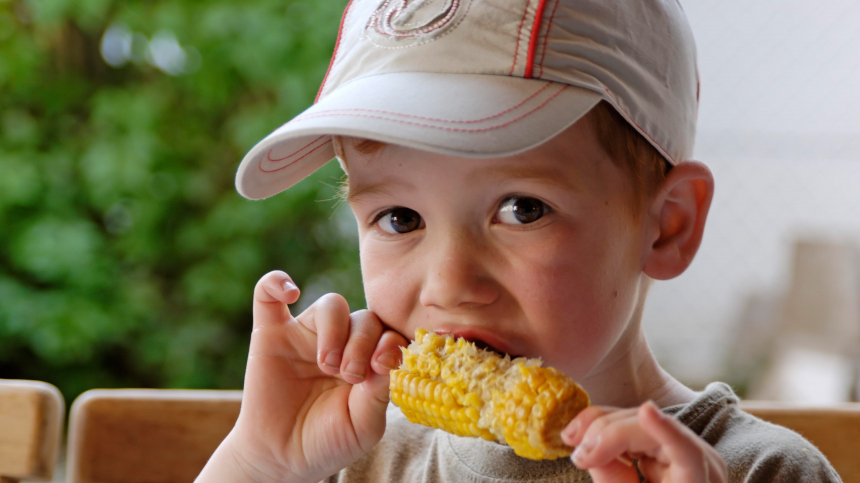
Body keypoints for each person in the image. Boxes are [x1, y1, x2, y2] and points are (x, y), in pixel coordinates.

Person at [197, 0, 841, 481]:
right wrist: (259, 459)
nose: (449, 283)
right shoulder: (359, 458)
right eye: (399, 218)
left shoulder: (763, 472)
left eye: (521, 208)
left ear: (667, 225)